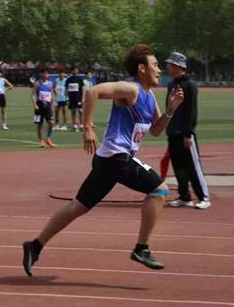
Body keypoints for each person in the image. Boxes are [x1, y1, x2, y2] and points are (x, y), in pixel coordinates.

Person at [21, 44, 185, 275]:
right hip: (117, 156)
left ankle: (35, 246)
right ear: (142, 69)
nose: (160, 70)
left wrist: (171, 109)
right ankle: (141, 248)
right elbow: (92, 92)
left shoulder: (149, 97)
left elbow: (157, 130)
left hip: (108, 159)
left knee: (78, 206)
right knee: (159, 190)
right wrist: (87, 128)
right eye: (155, 65)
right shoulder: (131, 89)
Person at [164, 52, 210, 210]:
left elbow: (191, 111)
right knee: (178, 168)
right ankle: (184, 197)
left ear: (178, 66)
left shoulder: (190, 85)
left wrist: (188, 133)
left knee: (193, 167)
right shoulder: (171, 84)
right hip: (173, 133)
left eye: (170, 64)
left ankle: (204, 197)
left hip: (185, 133)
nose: (167, 67)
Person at [33, 69, 56, 148]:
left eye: (47, 73)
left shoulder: (50, 83)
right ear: (41, 74)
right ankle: (41, 141)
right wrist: (35, 104)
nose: (46, 75)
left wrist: (52, 105)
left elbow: (52, 94)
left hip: (48, 105)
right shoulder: (37, 83)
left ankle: (48, 138)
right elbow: (33, 95)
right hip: (39, 105)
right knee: (40, 124)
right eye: (44, 73)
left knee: (51, 122)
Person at [66, 66, 86, 132]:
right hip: (71, 98)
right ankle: (74, 126)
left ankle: (81, 125)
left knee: (80, 111)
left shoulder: (80, 79)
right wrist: (67, 98)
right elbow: (66, 89)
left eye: (76, 70)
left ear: (78, 71)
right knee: (73, 111)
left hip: (78, 98)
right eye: (74, 70)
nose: (75, 71)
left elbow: (83, 89)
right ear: (71, 71)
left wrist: (83, 98)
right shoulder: (69, 79)